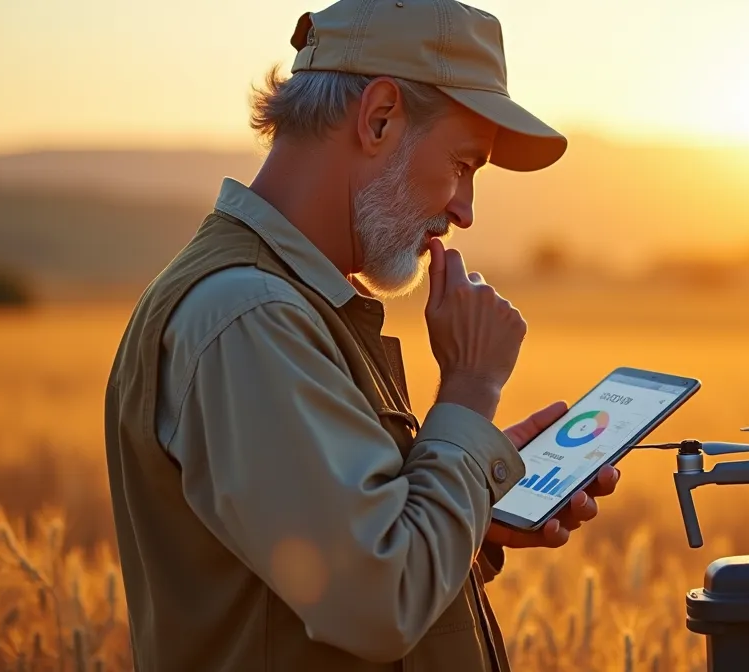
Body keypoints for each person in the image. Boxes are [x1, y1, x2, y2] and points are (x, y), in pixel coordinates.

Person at [101, 1, 620, 669]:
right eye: (463, 164)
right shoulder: (251, 316)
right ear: (378, 118)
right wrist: (468, 389)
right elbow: (380, 602)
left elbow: (340, 569)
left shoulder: (295, 305)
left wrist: (469, 511)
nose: (464, 209)